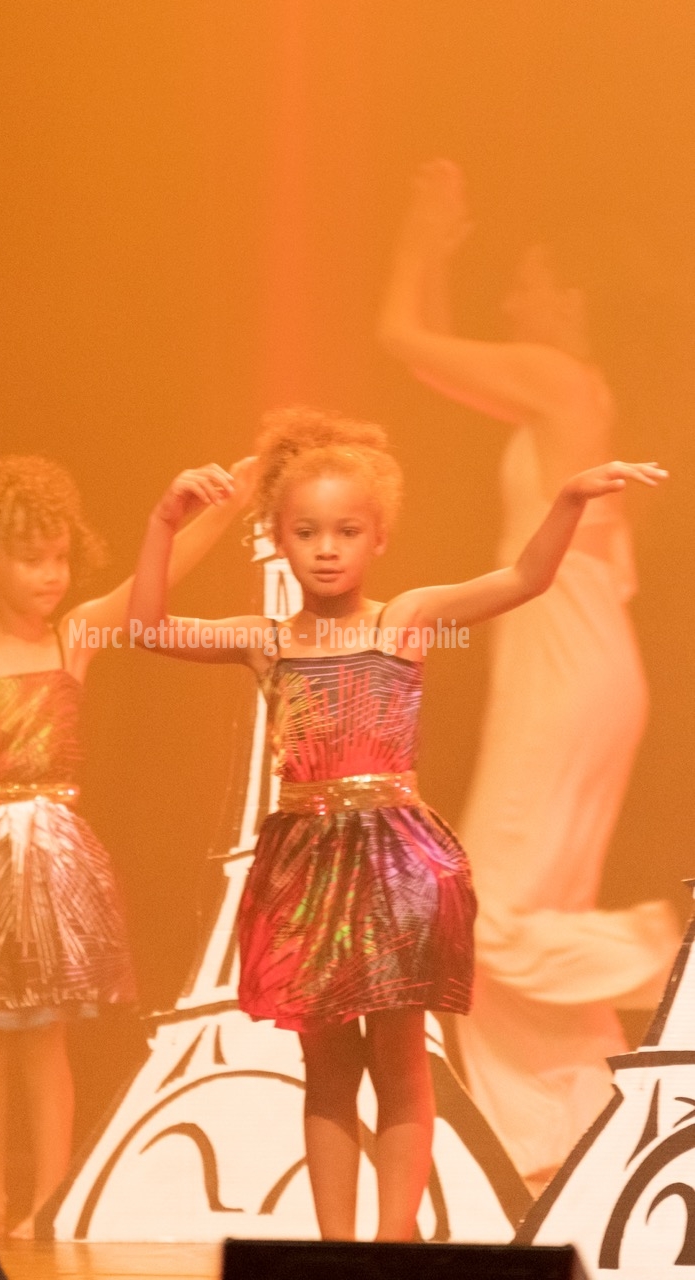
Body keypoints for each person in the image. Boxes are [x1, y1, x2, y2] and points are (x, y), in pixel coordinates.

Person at [125, 405, 666, 1238]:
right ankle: (337, 1250)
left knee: (399, 1056)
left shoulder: (403, 619)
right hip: (305, 867)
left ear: (378, 537)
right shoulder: (265, 640)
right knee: (325, 1066)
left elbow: (525, 579)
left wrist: (565, 499)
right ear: (276, 537)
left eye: (347, 531)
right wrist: (164, 523)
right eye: (306, 531)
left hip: (395, 867)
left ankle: (392, 1241)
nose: (327, 548)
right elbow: (146, 628)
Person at [379, 159, 679, 1191]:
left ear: (570, 300)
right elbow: (431, 359)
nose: (511, 303)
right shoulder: (579, 396)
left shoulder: (557, 379)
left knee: (482, 913)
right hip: (576, 664)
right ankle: (569, 1137)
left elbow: (403, 342)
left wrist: (421, 235)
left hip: (562, 666)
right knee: (520, 912)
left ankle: (665, 951)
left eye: (526, 284)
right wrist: (432, 254)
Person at [0, 452, 255, 1238]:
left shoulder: (75, 634)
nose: (51, 575)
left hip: (51, 854)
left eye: (59, 558)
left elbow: (156, 577)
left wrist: (221, 507)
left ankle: (47, 1195)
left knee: (45, 1037)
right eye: (31, 559)